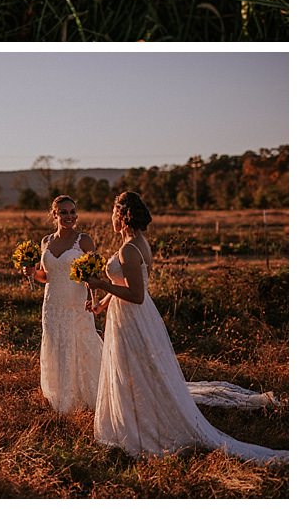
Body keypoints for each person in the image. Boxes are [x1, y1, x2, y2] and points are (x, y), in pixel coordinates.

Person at [86, 191, 288, 463]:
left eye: (113, 212)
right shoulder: (135, 244)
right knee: (131, 368)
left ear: (122, 216)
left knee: (133, 368)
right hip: (127, 314)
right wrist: (102, 304)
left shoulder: (129, 249)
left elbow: (137, 295)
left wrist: (100, 285)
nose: (110, 217)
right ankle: (132, 413)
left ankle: (139, 426)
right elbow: (127, 286)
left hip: (133, 316)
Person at [22, 195, 104, 413]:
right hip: (52, 304)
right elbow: (46, 276)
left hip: (76, 303)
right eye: (64, 212)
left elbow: (94, 275)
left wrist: (93, 299)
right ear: (54, 214)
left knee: (80, 343)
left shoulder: (84, 240)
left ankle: (86, 396)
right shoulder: (46, 241)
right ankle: (60, 397)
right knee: (56, 343)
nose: (69, 216)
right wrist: (32, 272)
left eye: (72, 212)